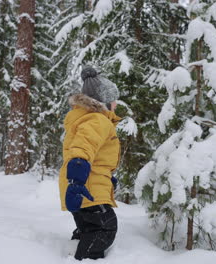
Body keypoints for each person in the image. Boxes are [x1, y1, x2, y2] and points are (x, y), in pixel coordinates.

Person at [58, 66, 121, 260]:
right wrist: (76, 182)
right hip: (85, 185)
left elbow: (97, 156)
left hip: (87, 183)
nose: (116, 105)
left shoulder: (89, 119)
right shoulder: (97, 120)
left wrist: (107, 178)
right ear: (104, 102)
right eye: (114, 101)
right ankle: (85, 258)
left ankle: (75, 248)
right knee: (104, 227)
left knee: (89, 226)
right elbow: (82, 149)